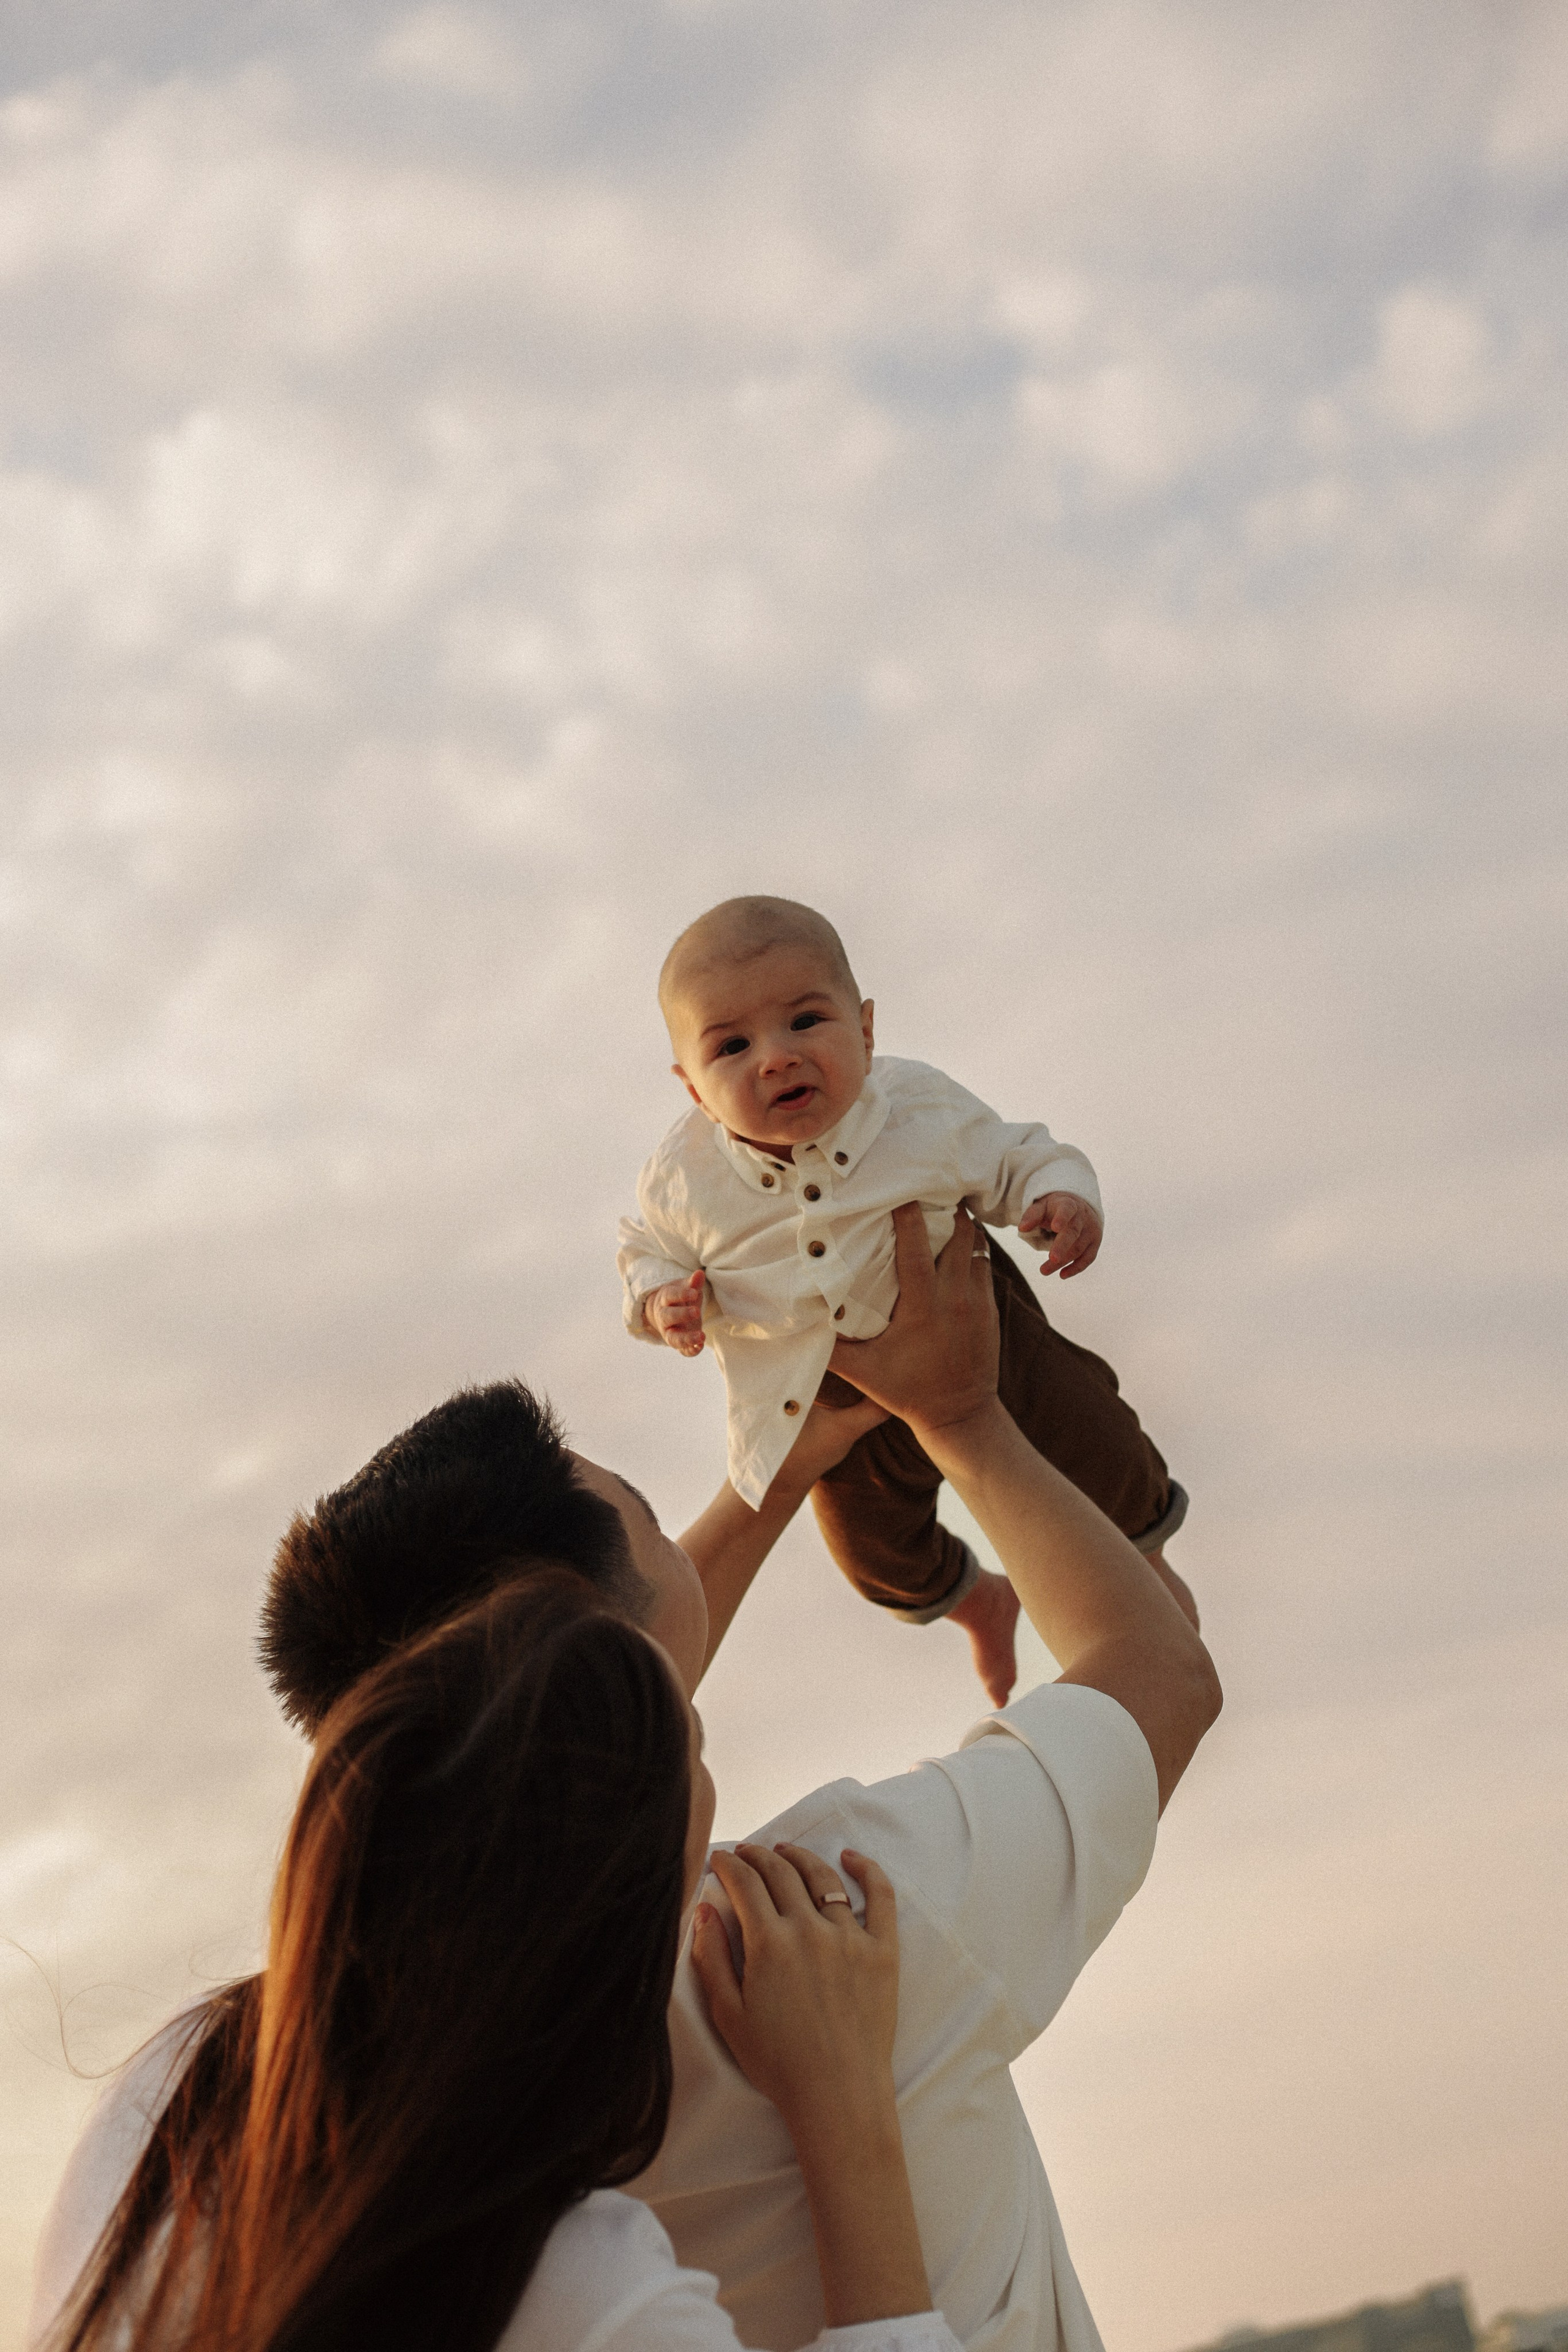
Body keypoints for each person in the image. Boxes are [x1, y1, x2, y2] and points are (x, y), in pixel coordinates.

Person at [241, 1205, 1216, 2351]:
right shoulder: (838, 1917)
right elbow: (1162, 1671)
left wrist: (788, 1463)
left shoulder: (363, 2097)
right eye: (648, 1514)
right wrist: (964, 1420)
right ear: (599, 1661)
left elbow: (570, 1731)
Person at [30, 1572, 964, 2352]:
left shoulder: (179, 2087)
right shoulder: (592, 2301)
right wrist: (847, 2112)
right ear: (627, 1930)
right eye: (697, 1748)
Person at [617, 894, 1192, 1705]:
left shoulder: (917, 1108)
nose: (775, 1058)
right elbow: (643, 1252)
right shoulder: (684, 1177)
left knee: (1093, 1441)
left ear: (867, 1030)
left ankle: (1148, 1574)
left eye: (806, 1022)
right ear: (693, 1089)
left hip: (983, 1338)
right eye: (733, 1045)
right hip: (822, 1393)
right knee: (874, 1554)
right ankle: (974, 1601)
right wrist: (659, 1303)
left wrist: (1061, 1195)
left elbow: (1018, 1154)